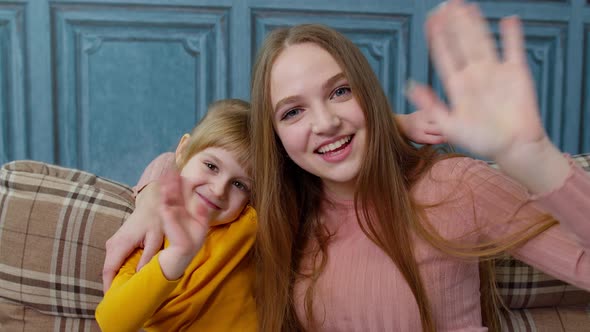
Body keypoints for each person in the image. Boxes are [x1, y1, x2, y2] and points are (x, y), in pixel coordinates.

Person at [104, 1, 590, 331]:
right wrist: (151, 195)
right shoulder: (283, 212)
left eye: (340, 91)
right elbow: (212, 153)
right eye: (293, 111)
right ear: (278, 139)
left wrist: (534, 159)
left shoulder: (455, 185)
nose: (325, 122)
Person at [95, 99, 258, 331]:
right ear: (182, 151)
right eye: (211, 166)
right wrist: (177, 255)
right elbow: (112, 322)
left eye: (239, 185)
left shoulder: (249, 223)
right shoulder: (152, 234)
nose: (219, 190)